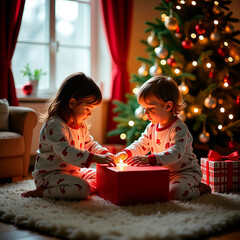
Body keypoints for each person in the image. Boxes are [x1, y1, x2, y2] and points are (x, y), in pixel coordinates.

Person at [22, 72, 116, 200]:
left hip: (74, 173)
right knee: (82, 188)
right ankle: (43, 192)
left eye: (92, 110)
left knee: (101, 177)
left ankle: (81, 187)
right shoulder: (55, 125)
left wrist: (104, 153)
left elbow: (90, 144)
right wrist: (97, 158)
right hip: (49, 176)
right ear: (72, 103)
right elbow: (67, 152)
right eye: (88, 109)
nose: (89, 114)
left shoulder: (80, 125)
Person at [115, 75, 211, 200]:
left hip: (185, 172)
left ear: (168, 106)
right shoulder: (152, 127)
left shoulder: (179, 128)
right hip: (161, 172)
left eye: (150, 108)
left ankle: (201, 189)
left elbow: (175, 153)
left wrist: (149, 160)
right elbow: (141, 144)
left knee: (175, 193)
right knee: (139, 185)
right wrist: (126, 153)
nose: (145, 113)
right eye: (144, 108)